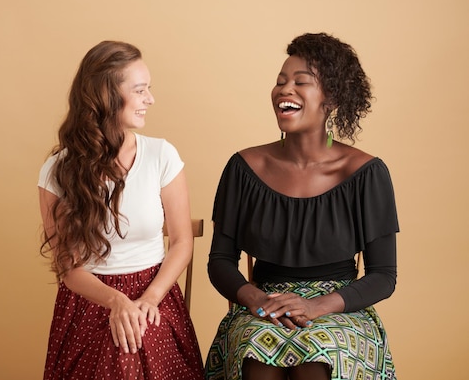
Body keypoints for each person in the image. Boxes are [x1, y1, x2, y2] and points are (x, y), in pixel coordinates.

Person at [205, 33, 399, 380]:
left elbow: (383, 276)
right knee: (257, 359)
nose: (284, 90)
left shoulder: (366, 173)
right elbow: (220, 261)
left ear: (332, 98)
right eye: (280, 82)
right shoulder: (245, 168)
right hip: (262, 306)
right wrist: (254, 299)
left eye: (301, 82)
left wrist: (316, 306)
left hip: (340, 308)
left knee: (318, 360)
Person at [37, 40, 204, 380]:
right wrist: (116, 302)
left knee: (136, 342)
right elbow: (69, 268)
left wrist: (148, 299)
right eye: (140, 90)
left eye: (149, 89)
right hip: (90, 299)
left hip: (155, 293)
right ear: (105, 96)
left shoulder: (161, 155)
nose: (150, 99)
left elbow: (182, 242)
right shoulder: (58, 170)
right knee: (116, 352)